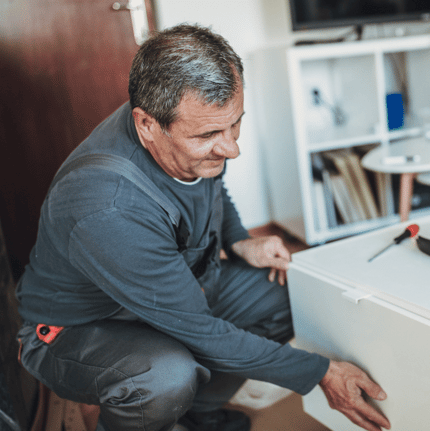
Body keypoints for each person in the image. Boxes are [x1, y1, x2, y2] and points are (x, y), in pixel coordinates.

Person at [15, 24, 391, 431]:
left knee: (284, 293)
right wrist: (321, 373)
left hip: (172, 290)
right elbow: (202, 331)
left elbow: (211, 183)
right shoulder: (107, 206)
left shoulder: (180, 124)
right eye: (211, 134)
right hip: (77, 329)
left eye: (236, 125)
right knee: (164, 378)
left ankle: (196, 417)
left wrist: (240, 240)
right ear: (147, 126)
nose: (232, 148)